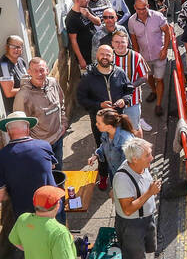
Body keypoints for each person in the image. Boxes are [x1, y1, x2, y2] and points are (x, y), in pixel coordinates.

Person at [77, 44, 137, 175]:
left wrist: (124, 100)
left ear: (113, 57)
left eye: (108, 54)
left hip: (118, 120)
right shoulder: (88, 77)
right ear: (97, 56)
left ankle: (124, 175)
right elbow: (81, 99)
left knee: (122, 149)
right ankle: (103, 174)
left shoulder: (119, 72)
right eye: (102, 54)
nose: (105, 57)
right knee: (102, 148)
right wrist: (99, 105)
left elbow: (129, 89)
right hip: (99, 122)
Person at [113, 139, 161, 259]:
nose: (152, 158)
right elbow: (127, 210)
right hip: (132, 226)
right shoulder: (122, 179)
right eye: (148, 155)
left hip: (145, 220)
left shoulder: (142, 166)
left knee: (141, 255)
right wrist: (149, 193)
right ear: (135, 159)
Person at [0, 112, 60, 218]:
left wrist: (14, 192)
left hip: (25, 217)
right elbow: (51, 167)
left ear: (9, 132)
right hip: (52, 208)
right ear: (28, 128)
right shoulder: (44, 146)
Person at [12, 57, 67, 166]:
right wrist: (32, 146)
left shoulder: (53, 82)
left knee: (59, 172)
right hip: (40, 145)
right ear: (29, 72)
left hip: (58, 138)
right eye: (35, 71)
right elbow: (20, 125)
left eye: (42, 70)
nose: (39, 74)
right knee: (46, 177)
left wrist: (64, 124)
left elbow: (61, 103)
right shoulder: (23, 96)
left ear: (47, 70)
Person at [128, 0, 177, 117]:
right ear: (134, 8)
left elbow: (167, 32)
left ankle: (159, 104)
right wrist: (138, 56)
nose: (141, 11)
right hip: (144, 57)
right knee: (149, 77)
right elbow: (134, 40)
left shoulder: (158, 17)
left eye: (143, 8)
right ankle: (154, 91)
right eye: (138, 9)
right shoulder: (131, 21)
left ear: (148, 6)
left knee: (159, 79)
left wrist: (165, 49)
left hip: (159, 55)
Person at [109, 29, 149, 132]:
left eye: (123, 42)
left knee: (134, 129)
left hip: (132, 101)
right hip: (112, 102)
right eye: (117, 42)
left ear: (127, 43)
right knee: (115, 129)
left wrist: (130, 86)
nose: (120, 44)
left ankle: (138, 147)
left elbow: (144, 76)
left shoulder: (136, 57)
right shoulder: (108, 57)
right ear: (112, 43)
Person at [65, 0, 101, 70]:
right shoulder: (71, 18)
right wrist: (81, 60)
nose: (88, 0)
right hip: (86, 55)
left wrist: (88, 15)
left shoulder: (86, 8)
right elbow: (73, 41)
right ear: (77, 0)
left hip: (96, 49)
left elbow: (98, 22)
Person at [0, 36, 29, 112]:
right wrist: (29, 88)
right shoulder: (4, 66)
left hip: (26, 105)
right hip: (15, 110)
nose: (16, 50)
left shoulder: (20, 61)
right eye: (13, 46)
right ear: (7, 47)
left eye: (19, 47)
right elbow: (9, 93)